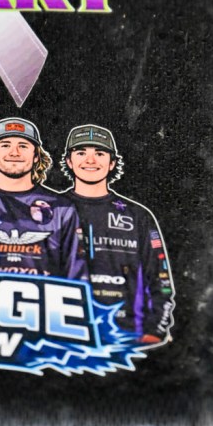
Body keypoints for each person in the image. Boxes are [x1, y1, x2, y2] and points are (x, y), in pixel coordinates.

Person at [60, 123, 175, 345]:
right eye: (81, 152)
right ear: (69, 161)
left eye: (99, 153)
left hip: (126, 337)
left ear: (112, 162)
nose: (90, 160)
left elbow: (161, 279)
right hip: (64, 334)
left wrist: (155, 330)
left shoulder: (138, 216)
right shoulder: (52, 209)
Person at [0, 117, 88, 280]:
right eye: (5, 145)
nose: (14, 152)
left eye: (23, 146)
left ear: (36, 156)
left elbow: (76, 274)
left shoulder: (62, 208)